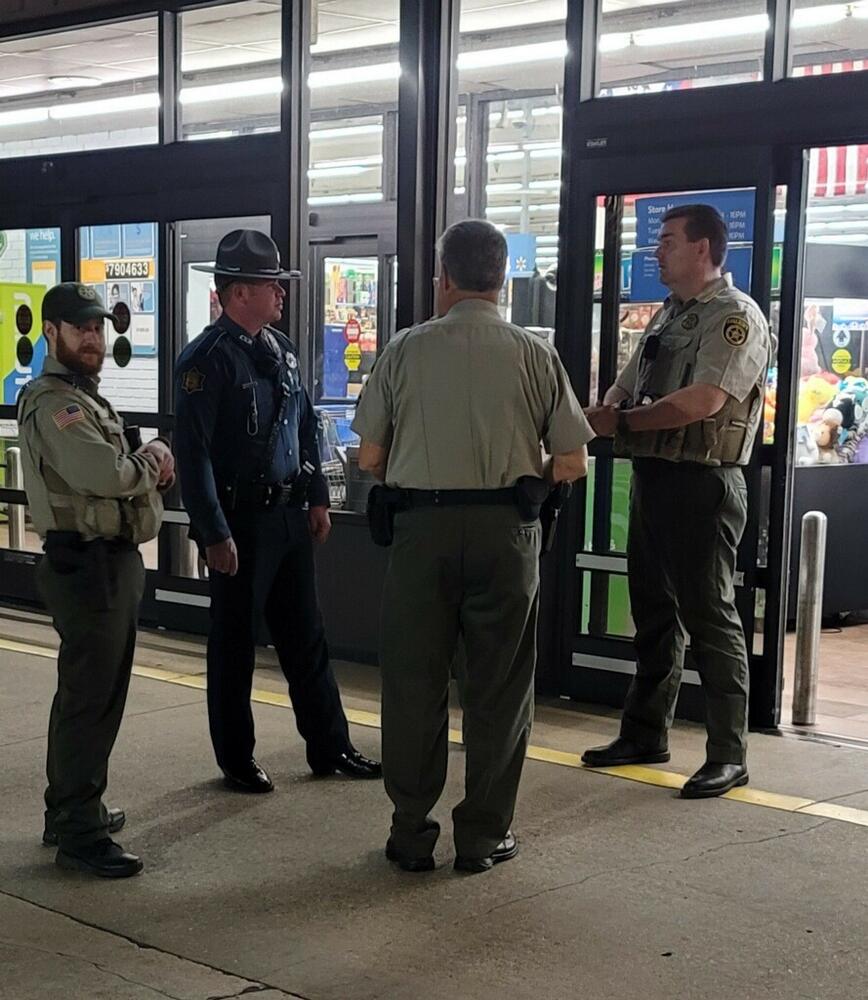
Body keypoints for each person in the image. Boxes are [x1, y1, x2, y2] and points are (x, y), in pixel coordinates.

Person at [352, 219, 593, 874]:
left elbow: (370, 456)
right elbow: (572, 461)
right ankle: (484, 837)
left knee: (413, 682)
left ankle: (410, 831)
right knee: (500, 688)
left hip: (421, 533)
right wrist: (525, 473)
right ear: (502, 279)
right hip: (506, 531)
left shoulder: (404, 350)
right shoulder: (535, 353)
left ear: (445, 278)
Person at [174, 230, 380, 793]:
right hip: (240, 522)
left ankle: (330, 744)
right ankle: (236, 758)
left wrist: (316, 496)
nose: (282, 295)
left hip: (288, 514)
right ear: (240, 293)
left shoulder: (281, 349)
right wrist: (213, 532)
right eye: (273, 285)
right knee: (235, 643)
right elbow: (193, 457)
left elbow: (305, 425)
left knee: (306, 635)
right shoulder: (205, 361)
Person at [581, 204, 772, 798]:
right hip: (656, 477)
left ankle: (728, 753)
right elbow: (627, 378)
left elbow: (703, 401)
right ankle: (644, 733)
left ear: (703, 248)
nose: (655, 251)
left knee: (710, 616)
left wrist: (622, 423)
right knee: (654, 613)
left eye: (666, 241)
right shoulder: (669, 315)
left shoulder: (735, 318)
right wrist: (607, 410)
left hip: (704, 483)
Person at [17, 282, 174, 877]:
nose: (92, 336)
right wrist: (154, 457)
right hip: (86, 566)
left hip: (107, 562)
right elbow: (102, 472)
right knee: (90, 698)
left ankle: (71, 809)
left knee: (91, 694)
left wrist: (141, 468)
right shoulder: (57, 403)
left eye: (98, 327)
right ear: (51, 333)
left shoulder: (86, 398)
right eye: (80, 326)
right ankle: (79, 832)